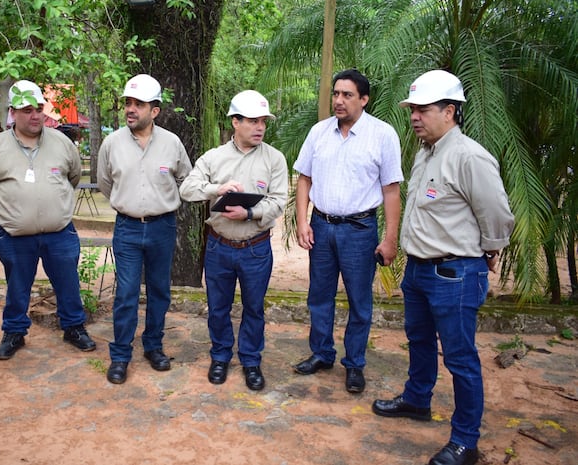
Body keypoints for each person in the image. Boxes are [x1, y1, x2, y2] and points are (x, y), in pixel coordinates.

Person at [372, 70, 514, 465]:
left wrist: (490, 250)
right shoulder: (424, 153)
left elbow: (498, 214)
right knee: (418, 341)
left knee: (460, 357)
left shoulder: (469, 157)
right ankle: (417, 399)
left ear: (450, 111)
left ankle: (465, 441)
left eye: (423, 109)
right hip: (418, 271)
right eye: (412, 110)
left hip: (454, 273)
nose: (415, 117)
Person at [293, 68, 403, 394]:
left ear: (364, 99)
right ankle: (322, 353)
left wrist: (390, 238)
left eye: (347, 95)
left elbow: (392, 190)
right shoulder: (318, 132)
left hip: (359, 230)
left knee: (359, 301)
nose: (339, 101)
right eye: (336, 94)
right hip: (322, 226)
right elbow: (304, 179)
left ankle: (354, 364)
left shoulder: (383, 135)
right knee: (319, 296)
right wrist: (302, 221)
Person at [0, 80, 95, 360]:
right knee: (17, 286)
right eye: (26, 109)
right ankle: (14, 332)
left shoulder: (62, 143)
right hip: (16, 235)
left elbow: (74, 177)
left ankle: (74, 327)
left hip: (59, 232)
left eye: (38, 108)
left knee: (68, 283)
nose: (34, 115)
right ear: (13, 113)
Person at [179, 90, 288, 391]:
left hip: (255, 247)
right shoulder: (214, 158)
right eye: (252, 121)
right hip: (219, 246)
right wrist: (217, 188)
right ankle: (220, 356)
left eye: (263, 121)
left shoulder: (274, 159)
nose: (260, 127)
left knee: (254, 307)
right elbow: (187, 189)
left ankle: (251, 361)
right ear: (235, 122)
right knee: (217, 307)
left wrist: (250, 212)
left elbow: (279, 201)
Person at [97, 73, 192, 384]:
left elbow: (185, 181)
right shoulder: (112, 143)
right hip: (126, 228)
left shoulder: (172, 144)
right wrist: (130, 204)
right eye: (128, 102)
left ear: (155, 110)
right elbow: (105, 183)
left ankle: (153, 346)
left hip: (162, 227)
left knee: (159, 291)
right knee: (125, 293)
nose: (130, 109)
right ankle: (120, 355)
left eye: (139, 103)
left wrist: (157, 203)